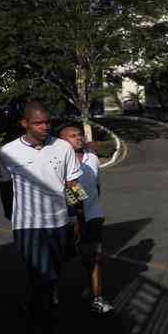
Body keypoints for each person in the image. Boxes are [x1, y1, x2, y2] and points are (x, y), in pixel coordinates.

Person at [0, 102, 84, 334]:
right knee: (43, 277)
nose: (45, 127)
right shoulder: (8, 152)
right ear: (24, 124)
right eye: (38, 123)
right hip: (28, 225)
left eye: (47, 122)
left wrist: (78, 216)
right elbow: (4, 187)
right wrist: (9, 213)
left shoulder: (63, 147)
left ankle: (36, 310)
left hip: (58, 223)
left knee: (52, 275)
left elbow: (72, 183)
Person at [58, 126, 114, 315]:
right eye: (72, 136)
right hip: (68, 219)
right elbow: (69, 189)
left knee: (94, 257)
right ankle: (53, 293)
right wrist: (75, 216)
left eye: (80, 135)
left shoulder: (93, 159)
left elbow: (97, 187)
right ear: (63, 141)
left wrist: (93, 211)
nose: (78, 138)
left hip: (92, 217)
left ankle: (97, 298)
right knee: (61, 259)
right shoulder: (59, 162)